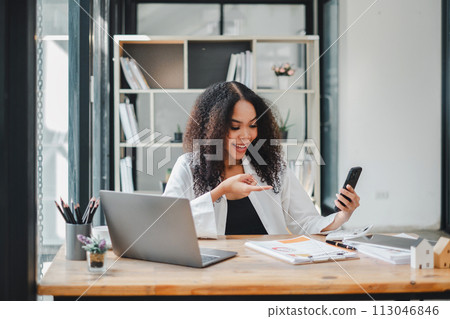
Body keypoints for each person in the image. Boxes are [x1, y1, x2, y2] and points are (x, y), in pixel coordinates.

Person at [163, 81, 360, 238]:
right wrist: (221, 191)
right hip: (212, 270)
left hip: (268, 267)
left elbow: (306, 222)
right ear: (212, 128)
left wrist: (342, 216)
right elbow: (167, 224)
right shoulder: (188, 166)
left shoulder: (272, 167)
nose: (246, 135)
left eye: (253, 125)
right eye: (235, 126)